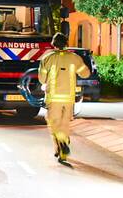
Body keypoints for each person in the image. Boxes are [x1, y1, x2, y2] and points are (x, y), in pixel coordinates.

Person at [37, 32, 90, 165]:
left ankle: (61, 143)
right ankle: (61, 150)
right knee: (64, 124)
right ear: (66, 44)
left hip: (53, 98)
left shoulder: (47, 58)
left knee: (53, 123)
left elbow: (41, 79)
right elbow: (85, 74)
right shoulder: (74, 58)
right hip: (69, 99)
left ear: (53, 44)